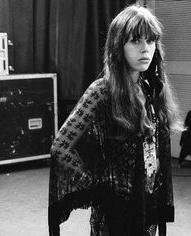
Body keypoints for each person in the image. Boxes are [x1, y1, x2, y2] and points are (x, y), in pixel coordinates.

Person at [48, 4, 184, 236]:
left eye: (150, 41)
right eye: (136, 41)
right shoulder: (102, 91)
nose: (145, 49)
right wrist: (99, 186)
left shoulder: (150, 86)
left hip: (146, 200)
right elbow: (61, 148)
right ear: (118, 46)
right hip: (117, 212)